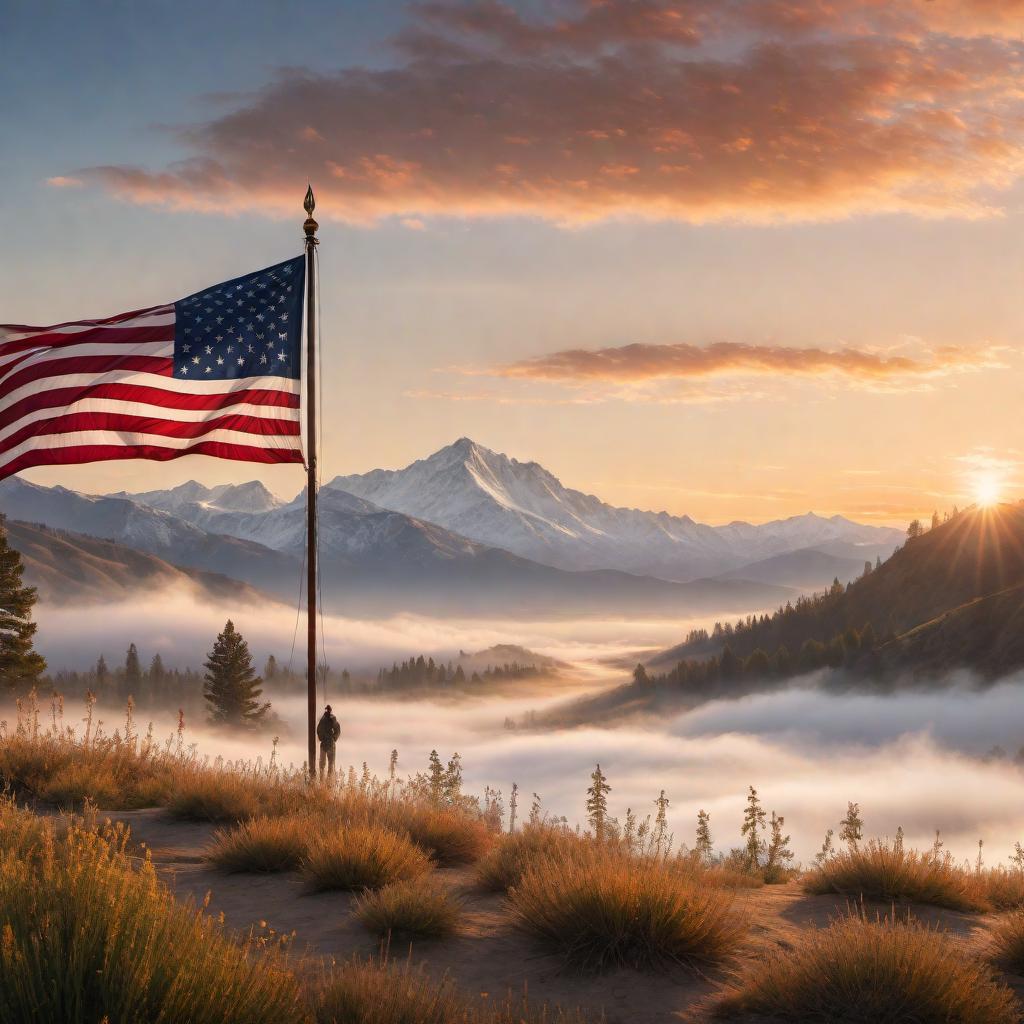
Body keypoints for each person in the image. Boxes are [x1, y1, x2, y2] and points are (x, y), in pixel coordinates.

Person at [316, 704, 341, 778]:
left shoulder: (332, 719)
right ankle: (322, 781)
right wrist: (322, 738)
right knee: (323, 764)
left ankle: (328, 782)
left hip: (330, 743)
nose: (328, 711)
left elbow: (337, 730)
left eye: (328, 709)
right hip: (325, 743)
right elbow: (319, 730)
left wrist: (333, 738)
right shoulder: (323, 719)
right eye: (327, 709)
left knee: (330, 763)